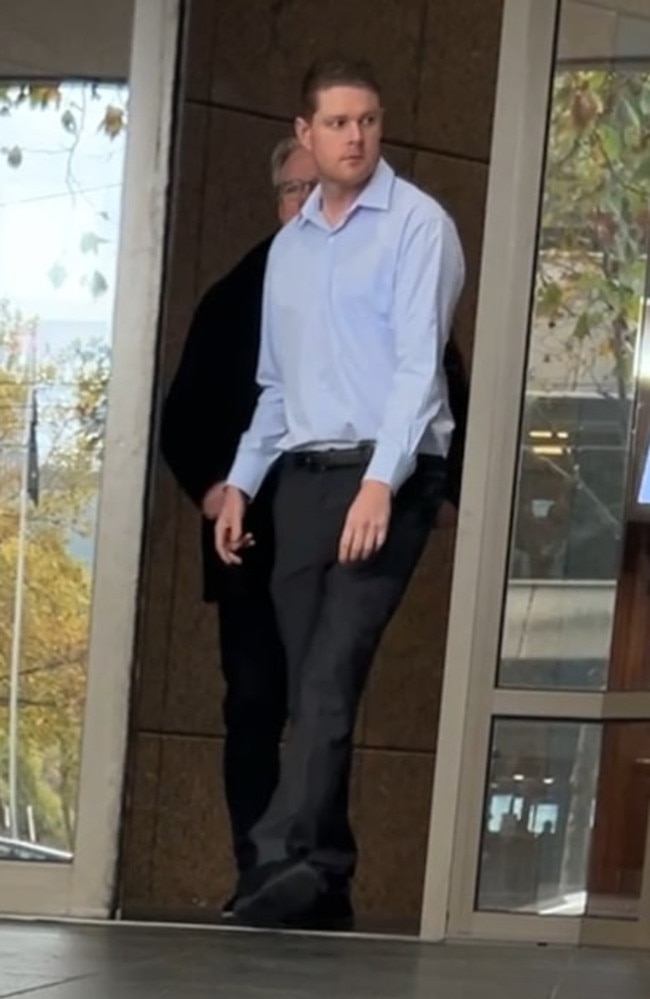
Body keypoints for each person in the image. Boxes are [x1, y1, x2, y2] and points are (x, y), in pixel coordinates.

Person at [216, 56, 466, 929]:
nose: (355, 136)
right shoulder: (288, 250)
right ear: (305, 133)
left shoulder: (417, 227)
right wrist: (243, 485)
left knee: (328, 677)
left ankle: (274, 859)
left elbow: (416, 373)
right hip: (304, 481)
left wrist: (379, 484)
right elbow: (276, 389)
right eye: (337, 122)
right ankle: (327, 871)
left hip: (386, 478)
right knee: (310, 686)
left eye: (368, 120)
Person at [160, 136, 318, 919]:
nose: (305, 202)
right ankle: (256, 871)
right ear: (275, 199)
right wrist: (217, 490)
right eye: (292, 189)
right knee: (255, 702)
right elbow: (180, 423)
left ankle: (320, 875)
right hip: (250, 542)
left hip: (332, 539)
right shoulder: (234, 296)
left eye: (317, 187)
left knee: (325, 705)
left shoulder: (374, 285)